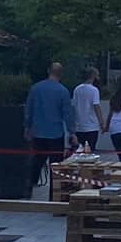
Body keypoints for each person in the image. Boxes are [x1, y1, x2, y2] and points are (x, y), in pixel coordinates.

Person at [23, 61, 72, 195]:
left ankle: (28, 188)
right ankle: (53, 195)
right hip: (56, 133)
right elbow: (67, 114)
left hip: (38, 131)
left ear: (48, 71)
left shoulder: (35, 88)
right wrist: (72, 132)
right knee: (55, 166)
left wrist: (27, 127)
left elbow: (29, 109)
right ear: (61, 74)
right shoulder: (63, 91)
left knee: (36, 161)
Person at [70, 68, 103, 156]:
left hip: (79, 126)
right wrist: (101, 122)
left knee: (79, 151)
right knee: (90, 151)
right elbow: (96, 106)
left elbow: (73, 106)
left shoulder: (77, 89)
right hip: (91, 126)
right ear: (94, 76)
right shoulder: (94, 90)